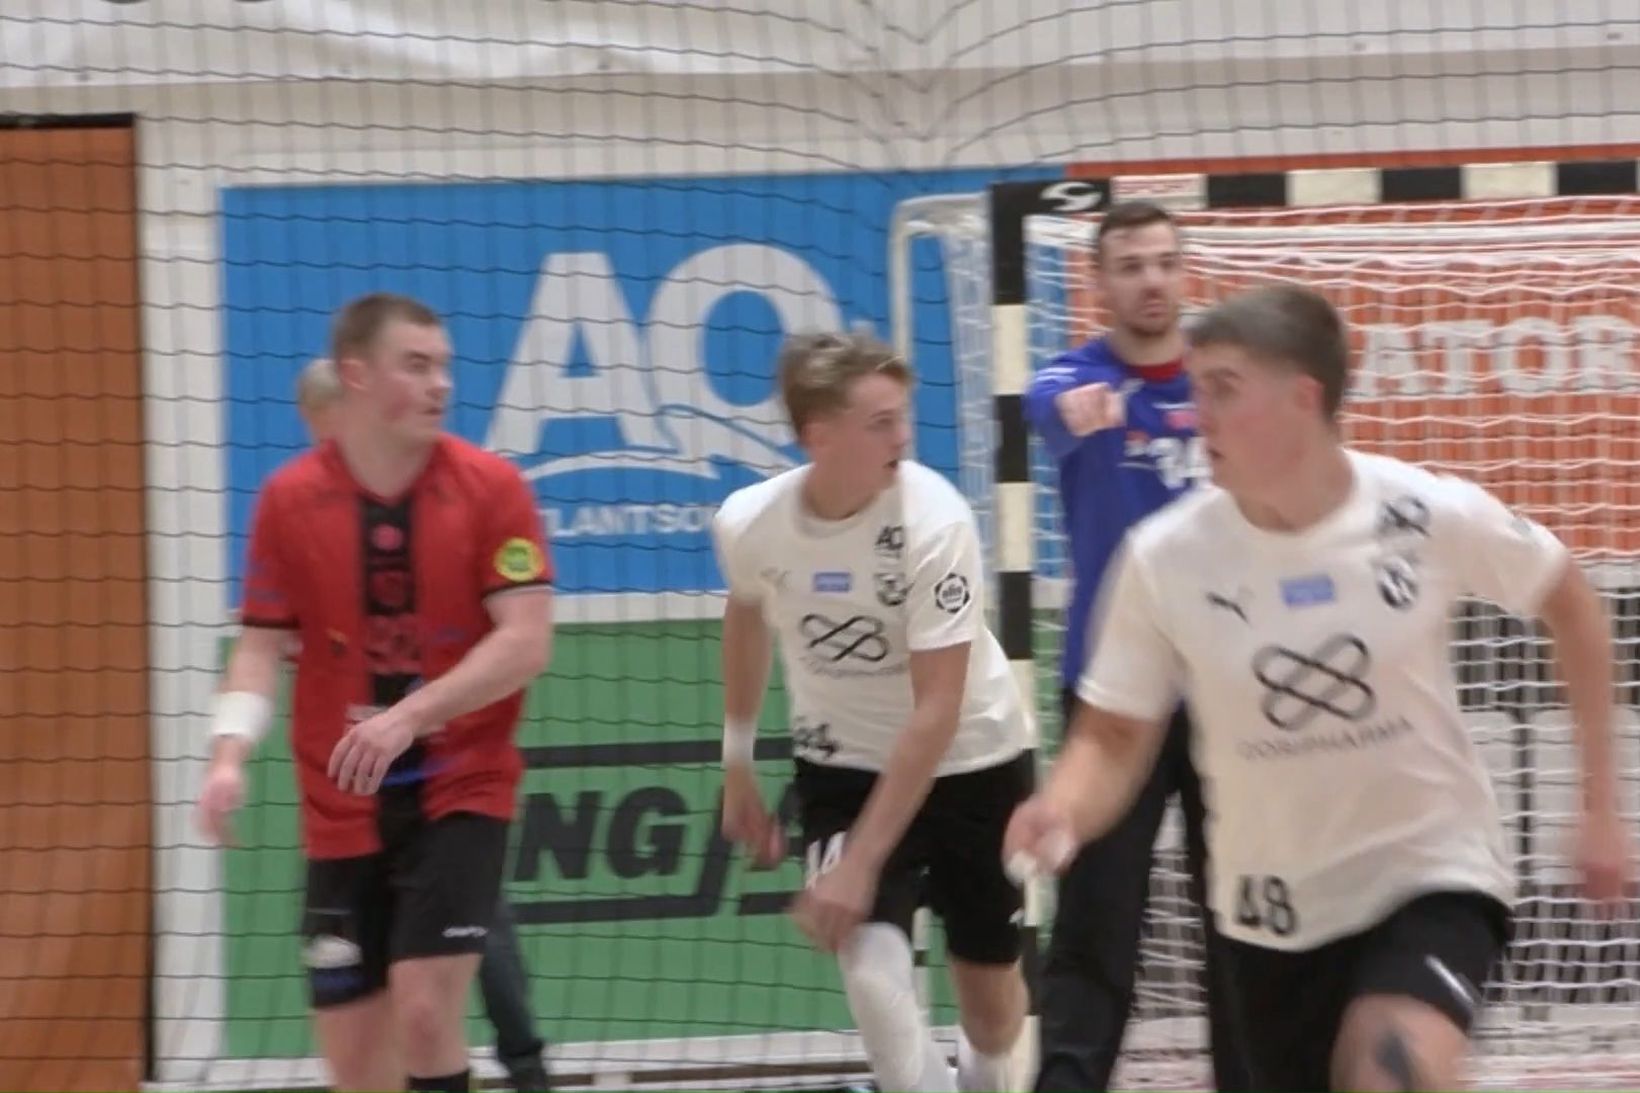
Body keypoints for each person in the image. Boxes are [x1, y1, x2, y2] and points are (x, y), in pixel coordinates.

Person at [1005, 283, 1634, 1092]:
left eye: (1222, 389)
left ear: (1303, 399)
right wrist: (1062, 806)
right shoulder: (1165, 559)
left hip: (1428, 874)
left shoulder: (1422, 512)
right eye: (1196, 389)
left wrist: (1600, 805)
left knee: (1391, 1065)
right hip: (1269, 914)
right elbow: (1113, 734)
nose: (1197, 414)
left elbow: (1570, 601)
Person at [195, 293, 555, 1093]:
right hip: (341, 805)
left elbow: (526, 641)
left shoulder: (493, 487)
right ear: (356, 375)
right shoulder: (289, 500)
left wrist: (409, 716)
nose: (440, 383)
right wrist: (228, 755)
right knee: (357, 1064)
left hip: (460, 786)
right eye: (416, 365)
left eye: (444, 366)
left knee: (426, 1012)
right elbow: (258, 646)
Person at [711, 330, 1035, 1092]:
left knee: (991, 1013)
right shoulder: (750, 522)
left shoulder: (935, 521)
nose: (903, 437)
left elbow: (937, 710)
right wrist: (737, 761)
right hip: (844, 764)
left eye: (903, 417)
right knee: (868, 966)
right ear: (819, 435)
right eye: (881, 422)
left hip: (972, 759)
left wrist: (858, 864)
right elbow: (747, 613)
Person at [1021, 200, 1245, 1091]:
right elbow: (1048, 405)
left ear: (1182, 272)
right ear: (1100, 282)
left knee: (1242, 922)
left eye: (1163, 262)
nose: (1151, 280)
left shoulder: (1225, 381)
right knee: (1096, 924)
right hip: (1115, 700)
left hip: (1227, 690)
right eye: (1130, 265)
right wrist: (1080, 412)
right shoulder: (1073, 379)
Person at [295, 355, 553, 1092]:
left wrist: (416, 712)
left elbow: (512, 635)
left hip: (447, 771)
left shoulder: (457, 497)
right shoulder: (316, 507)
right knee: (396, 988)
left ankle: (527, 1066)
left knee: (455, 955)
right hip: (363, 791)